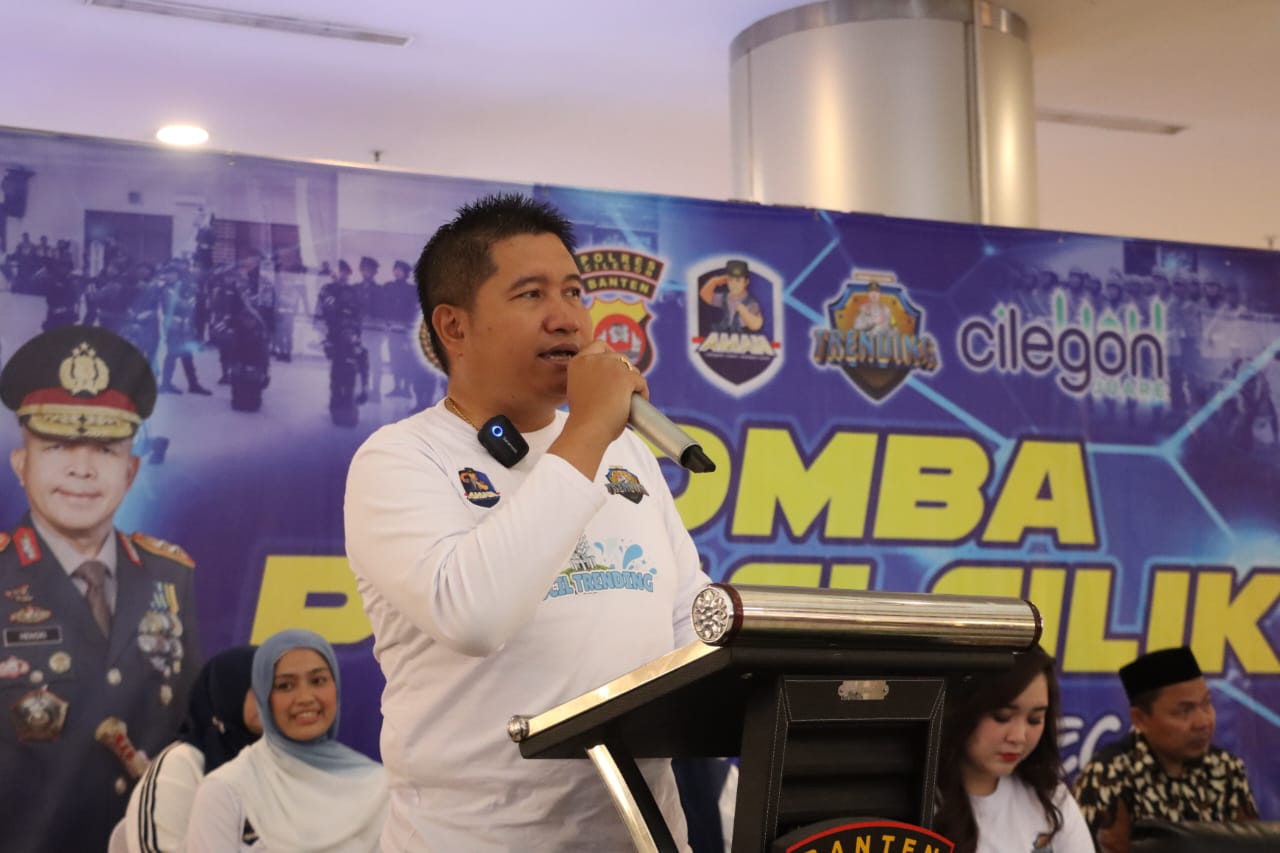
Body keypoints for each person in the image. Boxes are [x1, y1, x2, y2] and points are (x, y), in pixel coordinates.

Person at [344, 193, 709, 850]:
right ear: (453, 327)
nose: (566, 317)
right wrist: (590, 427)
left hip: (642, 833)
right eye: (532, 294)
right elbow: (474, 616)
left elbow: (687, 620)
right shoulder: (399, 459)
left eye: (574, 291)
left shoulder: (626, 451)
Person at [0, 325, 201, 853]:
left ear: (131, 470)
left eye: (107, 450)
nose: (83, 469)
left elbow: (189, 730)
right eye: (58, 445)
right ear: (21, 464)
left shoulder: (170, 577)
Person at [183, 629, 388, 853]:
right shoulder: (226, 790)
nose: (305, 698)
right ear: (264, 696)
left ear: (335, 687)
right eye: (285, 686)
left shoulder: (379, 785)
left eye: (318, 680)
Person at [1073, 646, 1257, 853]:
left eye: (1206, 704)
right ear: (1140, 719)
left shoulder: (1227, 768)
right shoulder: (1109, 774)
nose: (1203, 722)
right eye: (1184, 711)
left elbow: (1251, 846)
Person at [934, 644, 1093, 853]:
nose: (1018, 737)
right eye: (1002, 717)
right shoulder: (921, 799)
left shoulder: (1052, 799)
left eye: (1035, 719)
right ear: (962, 710)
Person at [112, 645, 261, 853]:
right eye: (260, 688)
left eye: (281, 687)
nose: (273, 699)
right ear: (227, 693)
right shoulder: (181, 764)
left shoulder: (283, 760)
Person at [699, 258, 763, 333]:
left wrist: (743, 311)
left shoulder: (751, 302)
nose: (733, 284)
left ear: (746, 282)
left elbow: (756, 325)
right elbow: (704, 295)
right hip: (725, 333)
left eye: (738, 280)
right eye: (730, 280)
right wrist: (714, 281)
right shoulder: (725, 297)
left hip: (742, 335)